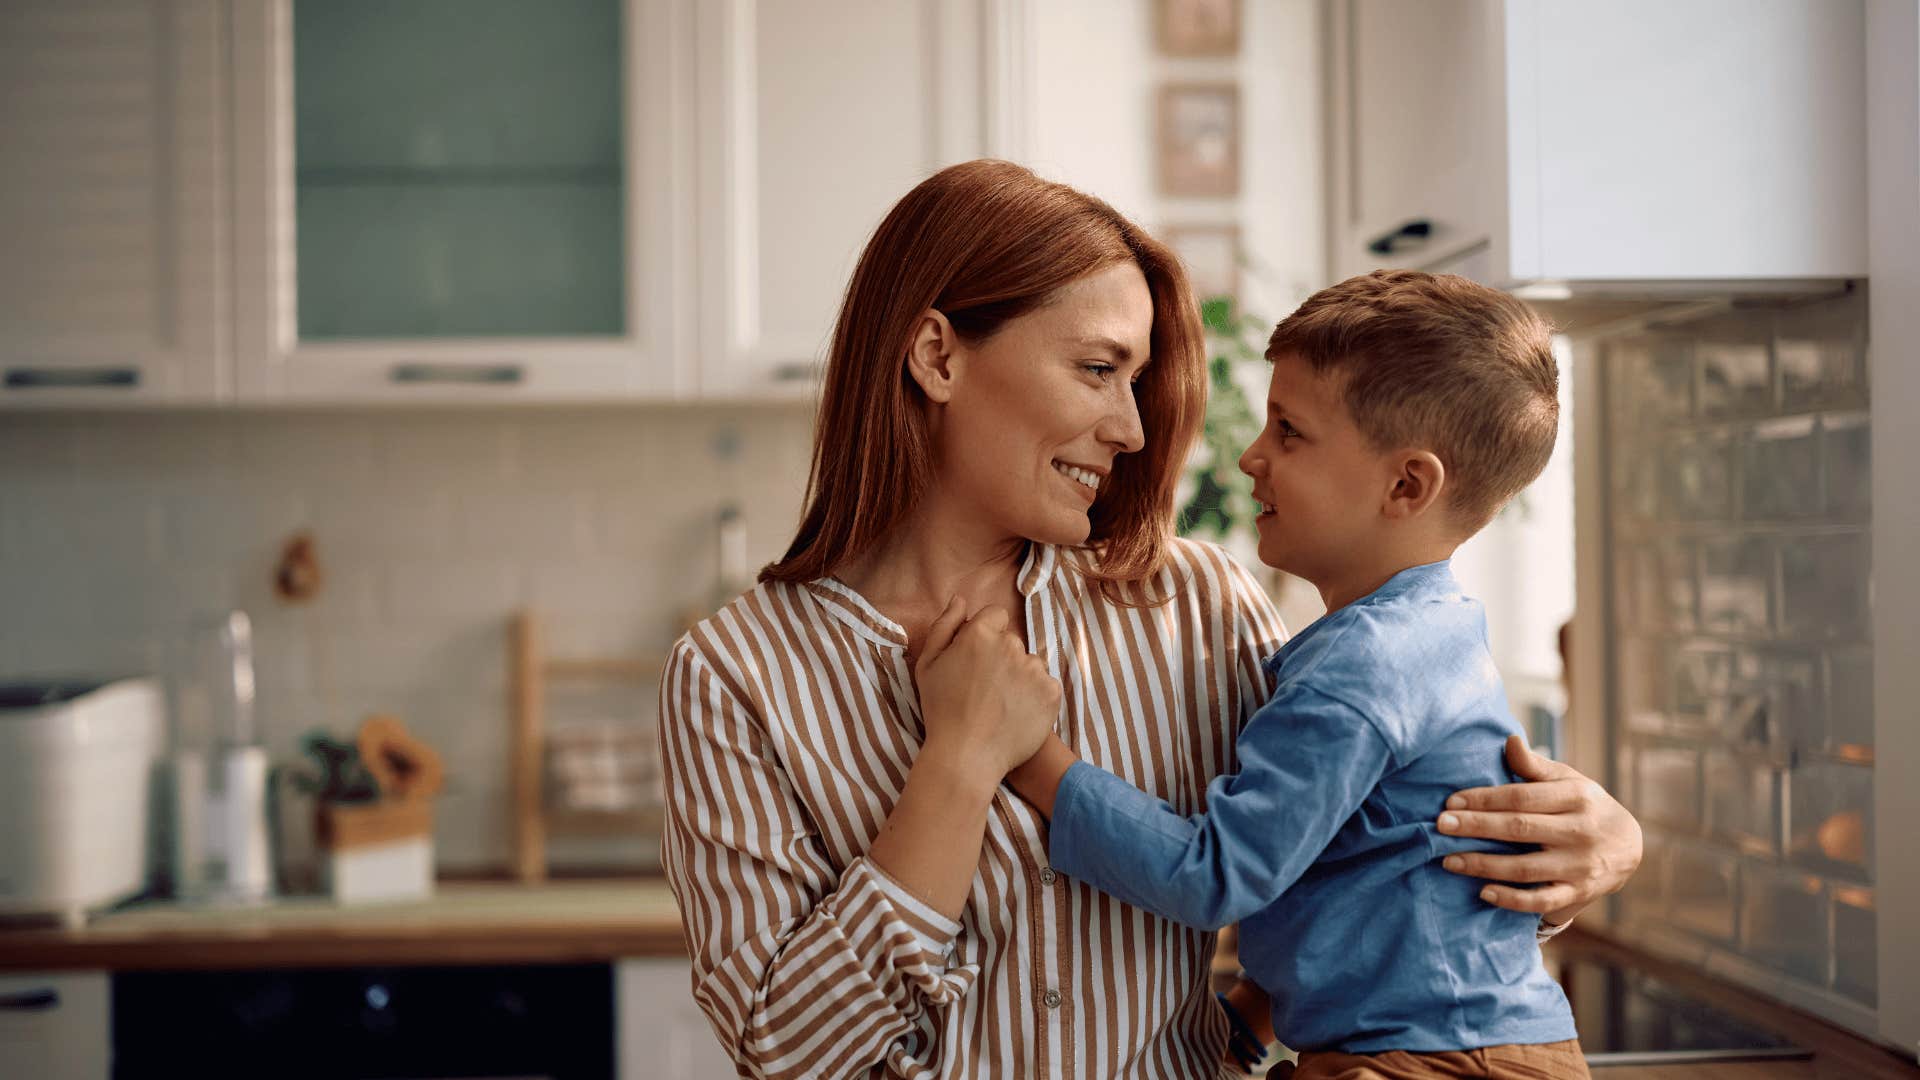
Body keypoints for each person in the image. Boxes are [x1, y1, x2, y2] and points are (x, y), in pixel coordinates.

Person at [657, 160, 1641, 1080]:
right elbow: (782, 1049)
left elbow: (1376, 845)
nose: (1132, 430)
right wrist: (959, 760)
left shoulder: (1196, 608)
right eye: (1096, 370)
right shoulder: (736, 676)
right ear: (935, 356)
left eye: (1137, 381)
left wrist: (1600, 842)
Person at [967, 270, 1594, 1078]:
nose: (1252, 455)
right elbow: (1363, 869)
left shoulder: (1365, 670)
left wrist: (1031, 755)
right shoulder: (1418, 636)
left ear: (1406, 485)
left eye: (1290, 432)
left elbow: (1216, 874)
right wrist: (1255, 1010)